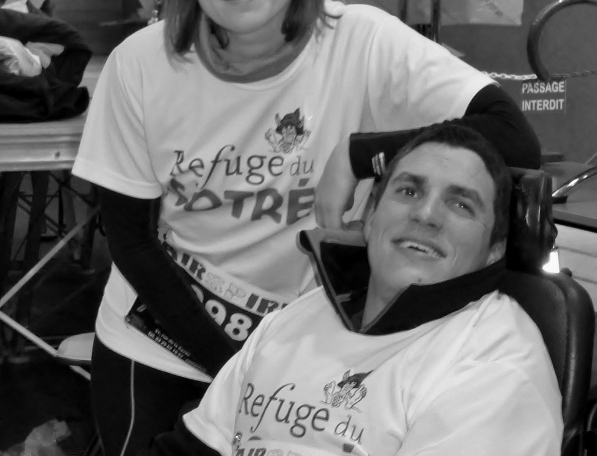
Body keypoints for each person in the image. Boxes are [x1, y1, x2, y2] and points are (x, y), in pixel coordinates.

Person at [71, 0, 542, 456]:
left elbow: (511, 135)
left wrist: (362, 154)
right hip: (158, 338)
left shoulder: (362, 42)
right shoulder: (140, 64)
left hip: (301, 348)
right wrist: (240, 369)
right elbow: (131, 242)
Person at [145, 124, 563, 456]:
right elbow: (191, 448)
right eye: (409, 191)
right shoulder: (295, 321)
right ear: (370, 216)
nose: (425, 214)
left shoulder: (496, 367)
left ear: (495, 249)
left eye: (461, 204)